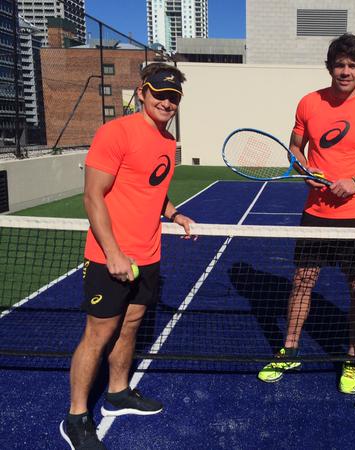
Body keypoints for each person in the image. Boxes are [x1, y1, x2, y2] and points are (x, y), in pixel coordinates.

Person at [60, 63, 194, 449]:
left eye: (173, 97)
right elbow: (93, 196)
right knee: (98, 334)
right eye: (159, 94)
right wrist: (114, 253)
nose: (166, 102)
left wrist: (173, 212)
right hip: (110, 258)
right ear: (142, 92)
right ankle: (76, 417)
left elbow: (150, 189)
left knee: (132, 325)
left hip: (148, 255)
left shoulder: (168, 142)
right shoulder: (116, 132)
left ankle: (117, 394)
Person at [257, 33, 355, 395]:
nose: (345, 71)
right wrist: (302, 167)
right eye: (339, 65)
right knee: (303, 281)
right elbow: (295, 147)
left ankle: (351, 357)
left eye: (352, 65)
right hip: (315, 212)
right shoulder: (308, 103)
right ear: (330, 67)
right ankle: (289, 349)